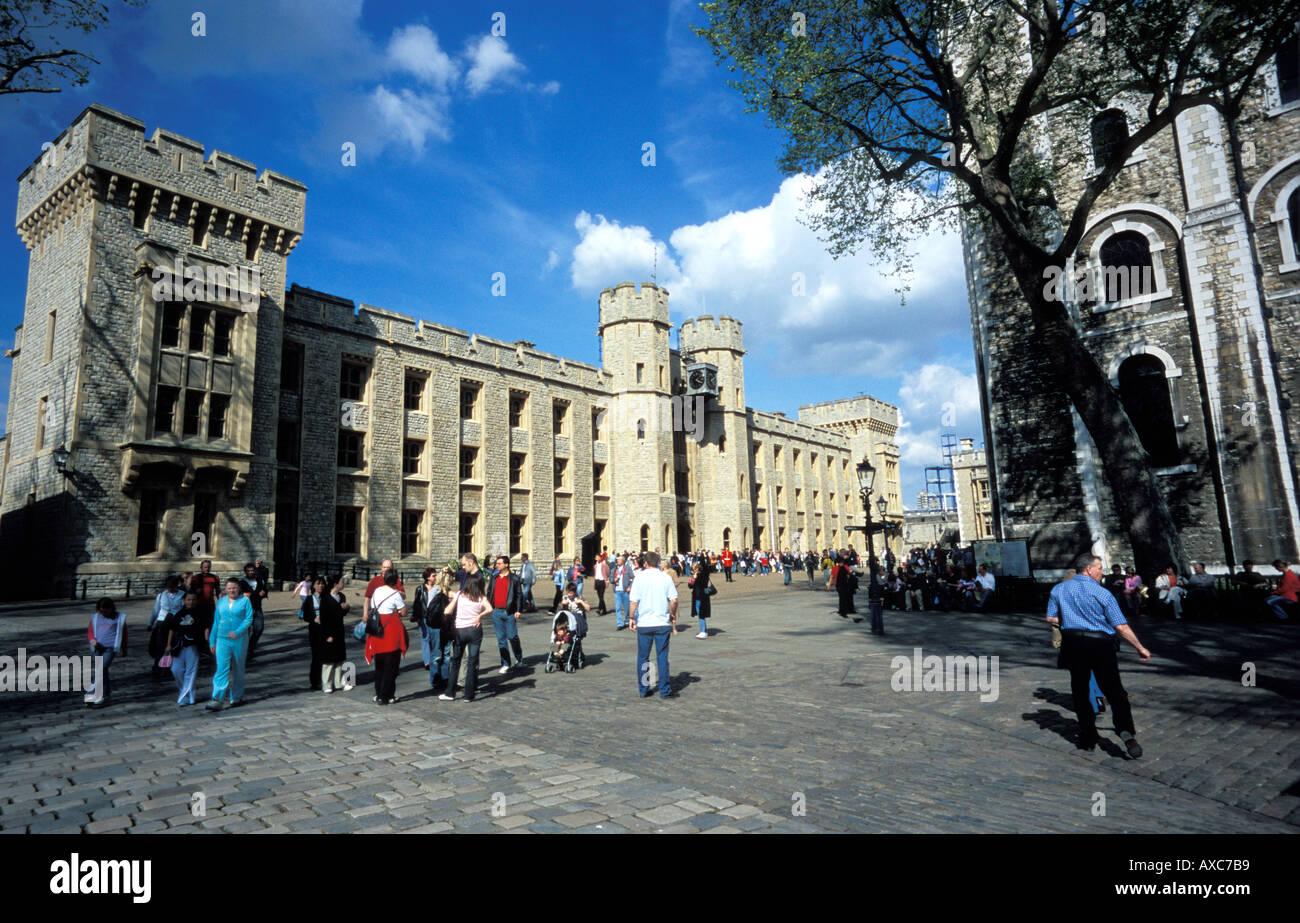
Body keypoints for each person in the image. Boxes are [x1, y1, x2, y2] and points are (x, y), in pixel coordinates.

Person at [1046, 553, 1151, 757]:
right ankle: (1125, 731)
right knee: (1115, 691)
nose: (1103, 572)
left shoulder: (1058, 589)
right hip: (1099, 644)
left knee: (1080, 690)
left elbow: (1050, 617)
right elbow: (1120, 626)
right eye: (1100, 568)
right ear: (1088, 569)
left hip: (1073, 643)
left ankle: (1088, 736)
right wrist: (1139, 647)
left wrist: (1070, 619)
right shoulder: (1102, 593)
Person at [629, 551, 678, 698]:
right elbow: (674, 600)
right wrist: (672, 614)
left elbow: (633, 602)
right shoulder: (665, 578)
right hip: (661, 622)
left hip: (644, 623)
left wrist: (631, 617)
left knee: (643, 657)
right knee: (662, 657)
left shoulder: (639, 578)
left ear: (645, 563)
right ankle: (664, 690)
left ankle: (644, 689)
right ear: (658, 562)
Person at [442, 574, 492, 702]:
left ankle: (450, 692)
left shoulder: (459, 595)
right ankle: (469, 694)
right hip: (475, 631)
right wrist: (479, 616)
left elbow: (447, 611)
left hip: (460, 631)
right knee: (472, 662)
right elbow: (490, 608)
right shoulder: (481, 597)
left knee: (456, 662)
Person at [206, 577, 254, 711]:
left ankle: (236, 697)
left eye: (234, 587)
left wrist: (237, 632)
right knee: (222, 668)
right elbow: (216, 622)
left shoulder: (245, 601)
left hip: (239, 640)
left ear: (239, 589)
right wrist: (212, 640)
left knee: (238, 668)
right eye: (229, 588)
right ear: (225, 589)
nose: (232, 590)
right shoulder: (221, 602)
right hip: (222, 639)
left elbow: (248, 618)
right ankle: (217, 698)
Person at [364, 570, 408, 705]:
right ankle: (386, 695)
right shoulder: (395, 594)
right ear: (395, 581)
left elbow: (372, 605)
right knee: (391, 666)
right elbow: (404, 612)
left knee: (380, 665)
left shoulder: (377, 591)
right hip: (390, 630)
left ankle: (379, 693)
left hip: (377, 629)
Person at [161, 590, 206, 706]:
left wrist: (207, 640)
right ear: (184, 600)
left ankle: (187, 697)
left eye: (193, 599)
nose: (191, 602)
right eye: (188, 599)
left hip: (193, 645)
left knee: (190, 671)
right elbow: (172, 629)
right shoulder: (179, 614)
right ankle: (184, 691)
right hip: (179, 646)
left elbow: (206, 627)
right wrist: (168, 644)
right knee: (176, 669)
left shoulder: (201, 613)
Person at [486, 555, 526, 674]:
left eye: (499, 563)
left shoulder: (514, 579)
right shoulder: (494, 578)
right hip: (496, 612)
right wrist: (489, 607)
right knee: (501, 639)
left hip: (509, 612)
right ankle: (505, 663)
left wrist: (518, 610)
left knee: (512, 636)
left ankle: (519, 658)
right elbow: (489, 593)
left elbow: (519, 595)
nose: (496, 565)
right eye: (496, 563)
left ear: (506, 564)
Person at [85, 597, 126, 707]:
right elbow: (90, 632)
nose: (103, 613)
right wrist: (92, 640)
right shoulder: (95, 618)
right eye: (101, 611)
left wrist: (124, 648)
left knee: (101, 669)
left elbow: (124, 634)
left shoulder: (119, 618)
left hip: (110, 648)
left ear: (111, 608)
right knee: (103, 671)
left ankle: (93, 693)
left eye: (105, 611)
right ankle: (106, 692)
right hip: (98, 648)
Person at [317, 574, 349, 693]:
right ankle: (327, 684)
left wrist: (346, 608)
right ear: (335, 584)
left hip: (339, 630)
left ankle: (338, 682)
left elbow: (342, 613)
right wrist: (328, 634)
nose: (343, 583)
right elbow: (324, 618)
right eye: (341, 581)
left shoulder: (341, 596)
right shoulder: (325, 598)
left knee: (339, 659)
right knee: (328, 660)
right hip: (329, 631)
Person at [149, 576, 185, 676]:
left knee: (174, 645)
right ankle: (158, 666)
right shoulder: (162, 595)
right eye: (169, 587)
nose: (171, 589)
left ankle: (171, 666)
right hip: (162, 622)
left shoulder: (182, 595)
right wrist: (150, 623)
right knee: (160, 645)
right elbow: (156, 610)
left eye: (173, 587)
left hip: (175, 621)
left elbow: (184, 608)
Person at [240, 562, 268, 661]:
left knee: (259, 629)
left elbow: (264, 590)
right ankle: (245, 652)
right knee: (245, 632)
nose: (251, 572)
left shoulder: (259, 581)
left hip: (257, 608)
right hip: (246, 611)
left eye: (252, 570)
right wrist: (243, 595)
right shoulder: (241, 583)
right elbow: (237, 595)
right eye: (249, 571)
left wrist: (264, 593)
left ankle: (250, 647)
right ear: (245, 572)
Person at [190, 560, 219, 627]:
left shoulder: (215, 577)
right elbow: (190, 592)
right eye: (205, 567)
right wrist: (196, 592)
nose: (207, 569)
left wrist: (221, 603)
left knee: (210, 623)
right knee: (198, 623)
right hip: (198, 604)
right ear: (201, 567)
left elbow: (218, 591)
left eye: (208, 567)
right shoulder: (195, 578)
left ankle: (208, 637)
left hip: (210, 604)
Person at [689, 559, 712, 638]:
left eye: (695, 568)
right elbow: (690, 586)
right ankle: (704, 630)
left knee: (701, 613)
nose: (693, 569)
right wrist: (693, 578)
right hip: (697, 595)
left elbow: (701, 582)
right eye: (693, 568)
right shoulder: (694, 575)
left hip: (702, 596)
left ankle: (703, 631)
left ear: (698, 567)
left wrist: (696, 578)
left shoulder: (703, 574)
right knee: (700, 613)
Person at [611, 552, 634, 630]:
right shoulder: (614, 569)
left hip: (624, 591)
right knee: (617, 608)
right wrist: (613, 580)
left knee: (626, 608)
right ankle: (620, 623)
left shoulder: (627, 568)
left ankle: (627, 621)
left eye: (619, 560)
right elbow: (611, 579)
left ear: (623, 561)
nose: (617, 561)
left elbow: (633, 578)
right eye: (617, 560)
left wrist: (630, 587)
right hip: (617, 591)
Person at [833, 556, 860, 621]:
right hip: (842, 586)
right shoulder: (840, 568)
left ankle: (849, 610)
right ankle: (843, 611)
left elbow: (849, 575)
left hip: (845, 586)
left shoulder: (844, 568)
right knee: (843, 599)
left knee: (848, 598)